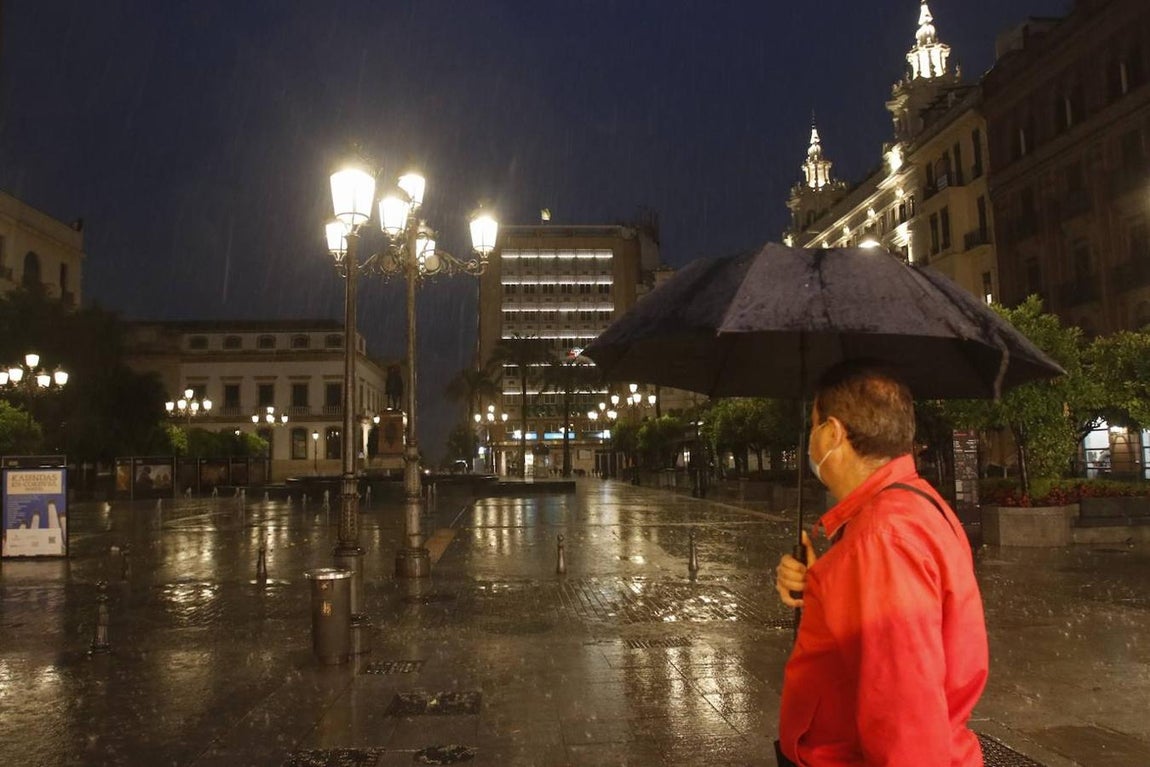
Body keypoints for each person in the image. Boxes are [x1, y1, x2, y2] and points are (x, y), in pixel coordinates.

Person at [774, 361, 988, 766]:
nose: (810, 440)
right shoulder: (901, 506)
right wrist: (822, 582)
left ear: (832, 433)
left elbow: (906, 715)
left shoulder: (882, 538)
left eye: (813, 425)